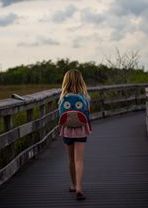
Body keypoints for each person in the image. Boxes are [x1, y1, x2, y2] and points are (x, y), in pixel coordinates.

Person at [58, 69, 92, 200]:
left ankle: (72, 185)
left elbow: (60, 115)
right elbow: (87, 113)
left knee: (71, 159)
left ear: (65, 82)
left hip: (67, 130)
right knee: (79, 160)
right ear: (81, 81)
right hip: (81, 130)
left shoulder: (62, 98)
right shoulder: (85, 97)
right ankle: (79, 187)